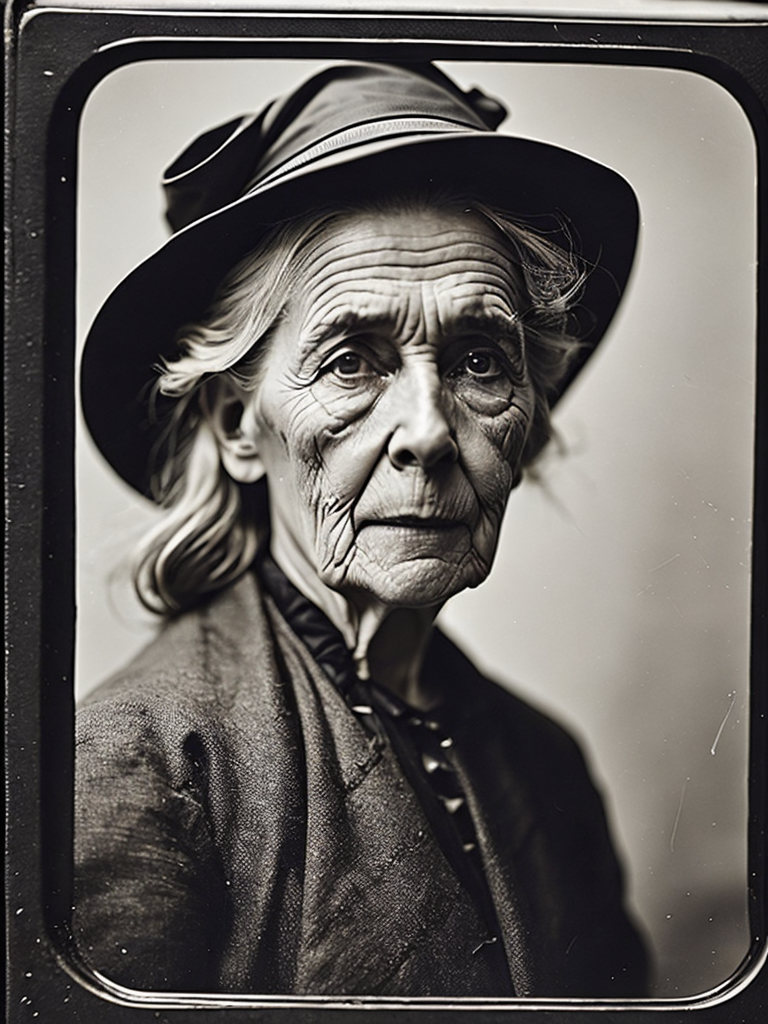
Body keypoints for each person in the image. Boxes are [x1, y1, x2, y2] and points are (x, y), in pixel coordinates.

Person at [75, 61, 648, 998]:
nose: (427, 431)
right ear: (235, 426)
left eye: (477, 360)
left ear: (530, 412)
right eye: (351, 363)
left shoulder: (545, 761)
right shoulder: (133, 768)